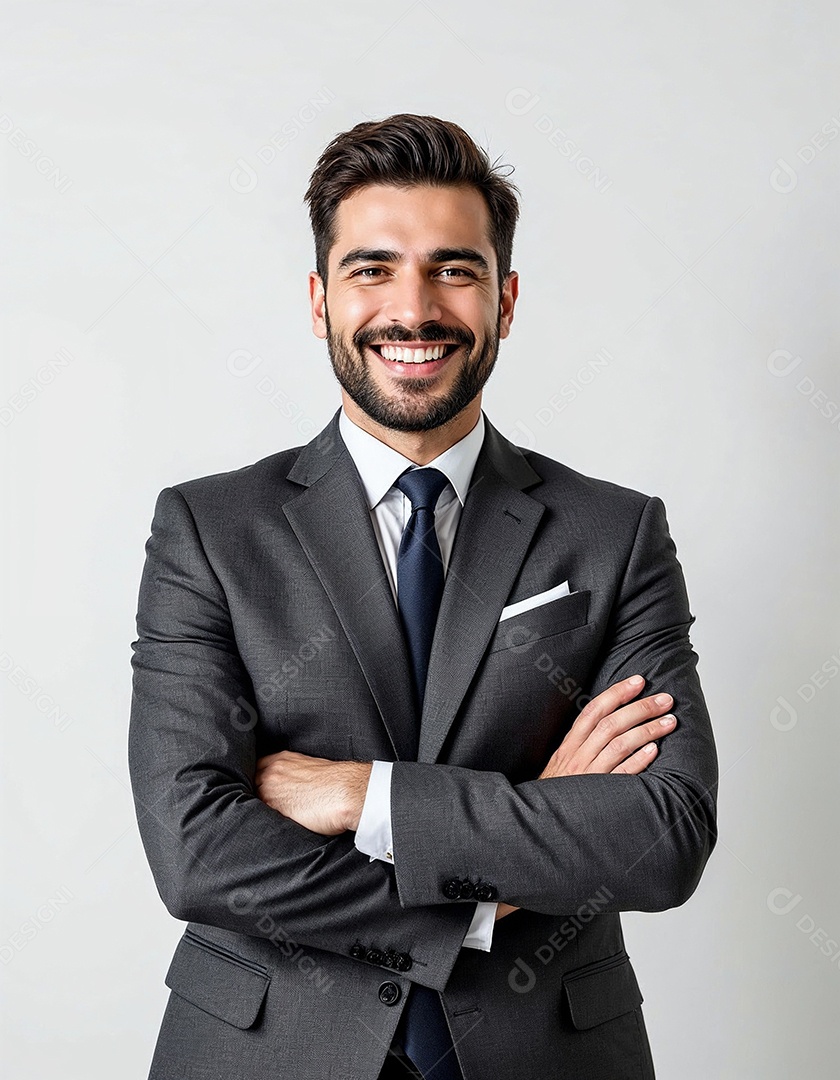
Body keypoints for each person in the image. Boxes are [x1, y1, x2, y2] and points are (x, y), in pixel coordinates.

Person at [128, 113, 718, 1080]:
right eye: (372, 270)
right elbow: (197, 851)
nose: (415, 309)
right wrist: (497, 882)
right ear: (319, 300)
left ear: (506, 299)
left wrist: (362, 795)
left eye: (455, 268)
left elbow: (663, 835)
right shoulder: (208, 530)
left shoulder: (615, 534)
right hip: (267, 1052)